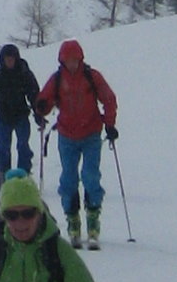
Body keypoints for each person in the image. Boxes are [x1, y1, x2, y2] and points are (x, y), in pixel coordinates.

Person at [36, 35, 118, 248]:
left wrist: (110, 124)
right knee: (68, 179)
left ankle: (93, 219)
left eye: (75, 60)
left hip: (91, 133)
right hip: (67, 136)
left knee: (91, 176)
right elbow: (45, 99)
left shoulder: (92, 76)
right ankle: (72, 220)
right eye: (68, 60)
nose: (72, 64)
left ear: (80, 59)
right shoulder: (57, 80)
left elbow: (109, 99)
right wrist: (42, 107)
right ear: (62, 61)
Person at [0, 40, 40, 185]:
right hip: (3, 115)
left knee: (23, 145)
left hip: (21, 115)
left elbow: (34, 94)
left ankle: (23, 174)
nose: (10, 61)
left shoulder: (24, 73)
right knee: (3, 146)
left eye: (12, 58)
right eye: (7, 59)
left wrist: (38, 112)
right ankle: (4, 174)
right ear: (3, 59)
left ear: (16, 58)